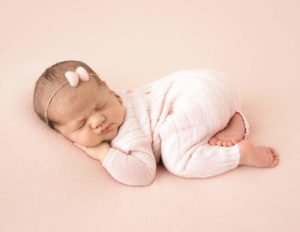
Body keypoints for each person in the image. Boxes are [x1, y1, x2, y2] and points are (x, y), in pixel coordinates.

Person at [33, 60, 279, 186]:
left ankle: (239, 155)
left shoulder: (127, 132)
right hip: (213, 84)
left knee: (176, 159)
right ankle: (233, 121)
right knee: (181, 124)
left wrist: (103, 153)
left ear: (109, 90)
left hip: (200, 98)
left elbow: (143, 173)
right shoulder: (119, 97)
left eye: (100, 106)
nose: (98, 120)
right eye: (81, 124)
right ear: (62, 134)